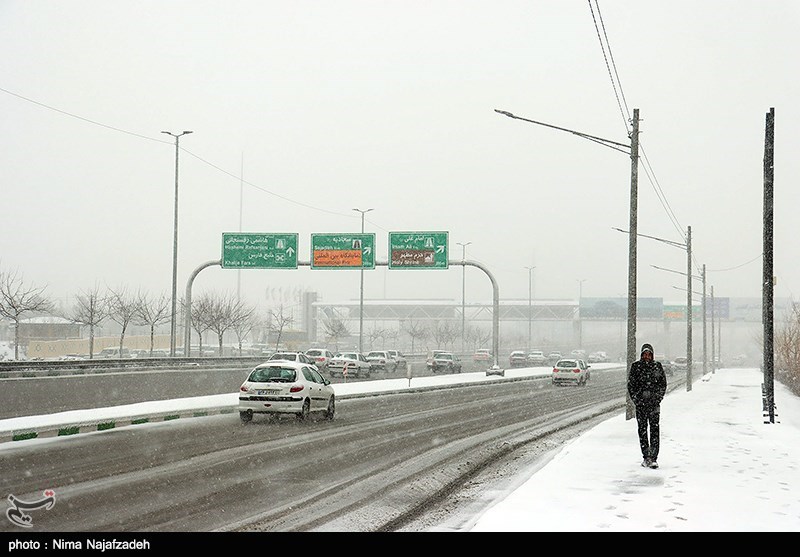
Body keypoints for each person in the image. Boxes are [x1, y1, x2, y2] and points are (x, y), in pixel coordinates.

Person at [627, 343, 667, 469]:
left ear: (652, 355)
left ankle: (654, 458)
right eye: (645, 354)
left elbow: (663, 384)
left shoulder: (657, 366)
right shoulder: (636, 367)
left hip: (654, 405)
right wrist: (637, 400)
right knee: (642, 431)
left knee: (654, 430)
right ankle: (646, 457)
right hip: (641, 406)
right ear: (641, 355)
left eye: (649, 354)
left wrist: (657, 398)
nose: (647, 357)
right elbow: (631, 385)